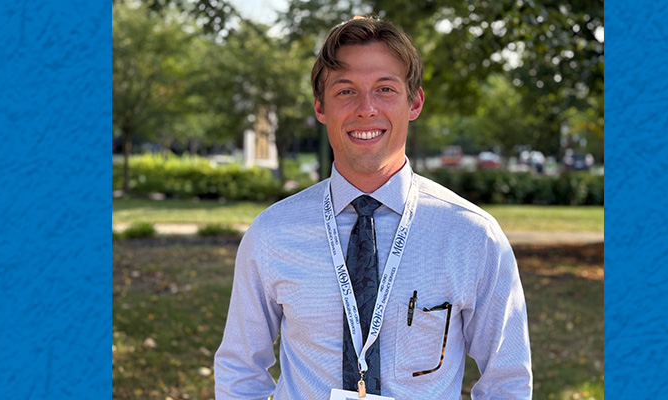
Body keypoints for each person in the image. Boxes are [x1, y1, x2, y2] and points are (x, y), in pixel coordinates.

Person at [215, 15, 532, 399]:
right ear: (320, 108)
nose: (366, 108)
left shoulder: (472, 235)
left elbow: (507, 382)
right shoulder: (272, 233)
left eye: (385, 89)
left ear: (414, 102)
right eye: (345, 91)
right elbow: (240, 370)